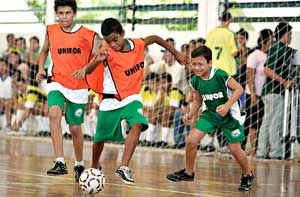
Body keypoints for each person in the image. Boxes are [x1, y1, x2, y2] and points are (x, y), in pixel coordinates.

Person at [72, 17, 188, 185]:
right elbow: (90, 67)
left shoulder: (138, 44)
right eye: (108, 41)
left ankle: (124, 166)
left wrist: (176, 52)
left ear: (123, 33)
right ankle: (95, 165)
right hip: (110, 100)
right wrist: (91, 64)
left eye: (115, 39)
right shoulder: (106, 51)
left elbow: (155, 38)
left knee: (138, 123)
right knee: (99, 139)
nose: (112, 44)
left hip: (131, 97)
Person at [166, 45, 254, 191]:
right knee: (191, 140)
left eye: (200, 64)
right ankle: (188, 172)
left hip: (230, 116)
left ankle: (247, 174)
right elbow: (198, 100)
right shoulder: (195, 80)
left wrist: (227, 105)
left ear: (210, 63)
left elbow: (239, 89)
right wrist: (190, 114)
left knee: (235, 150)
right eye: (193, 64)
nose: (196, 67)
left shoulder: (220, 74)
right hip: (210, 114)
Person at [35, 0, 102, 182]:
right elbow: (44, 51)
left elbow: (99, 55)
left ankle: (79, 163)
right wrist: (41, 68)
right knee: (53, 113)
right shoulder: (51, 30)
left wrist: (86, 68)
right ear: (56, 13)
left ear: (75, 13)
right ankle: (60, 162)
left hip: (79, 87)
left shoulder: (89, 34)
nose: (64, 17)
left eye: (68, 13)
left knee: (74, 128)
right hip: (57, 81)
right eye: (61, 13)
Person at [256, 22, 294, 160]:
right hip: (275, 91)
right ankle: (276, 151)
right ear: (284, 35)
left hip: (269, 92)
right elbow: (267, 69)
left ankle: (262, 150)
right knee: (275, 122)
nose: (291, 38)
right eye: (289, 35)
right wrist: (284, 81)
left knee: (267, 122)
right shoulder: (278, 48)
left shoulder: (282, 49)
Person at [204, 11, 239, 153]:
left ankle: (209, 142)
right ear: (229, 20)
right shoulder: (230, 34)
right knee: (227, 109)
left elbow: (206, 50)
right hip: (225, 74)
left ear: (220, 19)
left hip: (212, 73)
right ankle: (226, 143)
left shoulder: (212, 33)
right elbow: (234, 52)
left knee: (211, 107)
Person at [241, 29, 273, 155]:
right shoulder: (255, 55)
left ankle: (257, 149)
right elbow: (250, 76)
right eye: (271, 39)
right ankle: (247, 149)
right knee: (251, 123)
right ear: (266, 40)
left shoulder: (270, 55)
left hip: (265, 95)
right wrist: (253, 95)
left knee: (260, 123)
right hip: (252, 95)